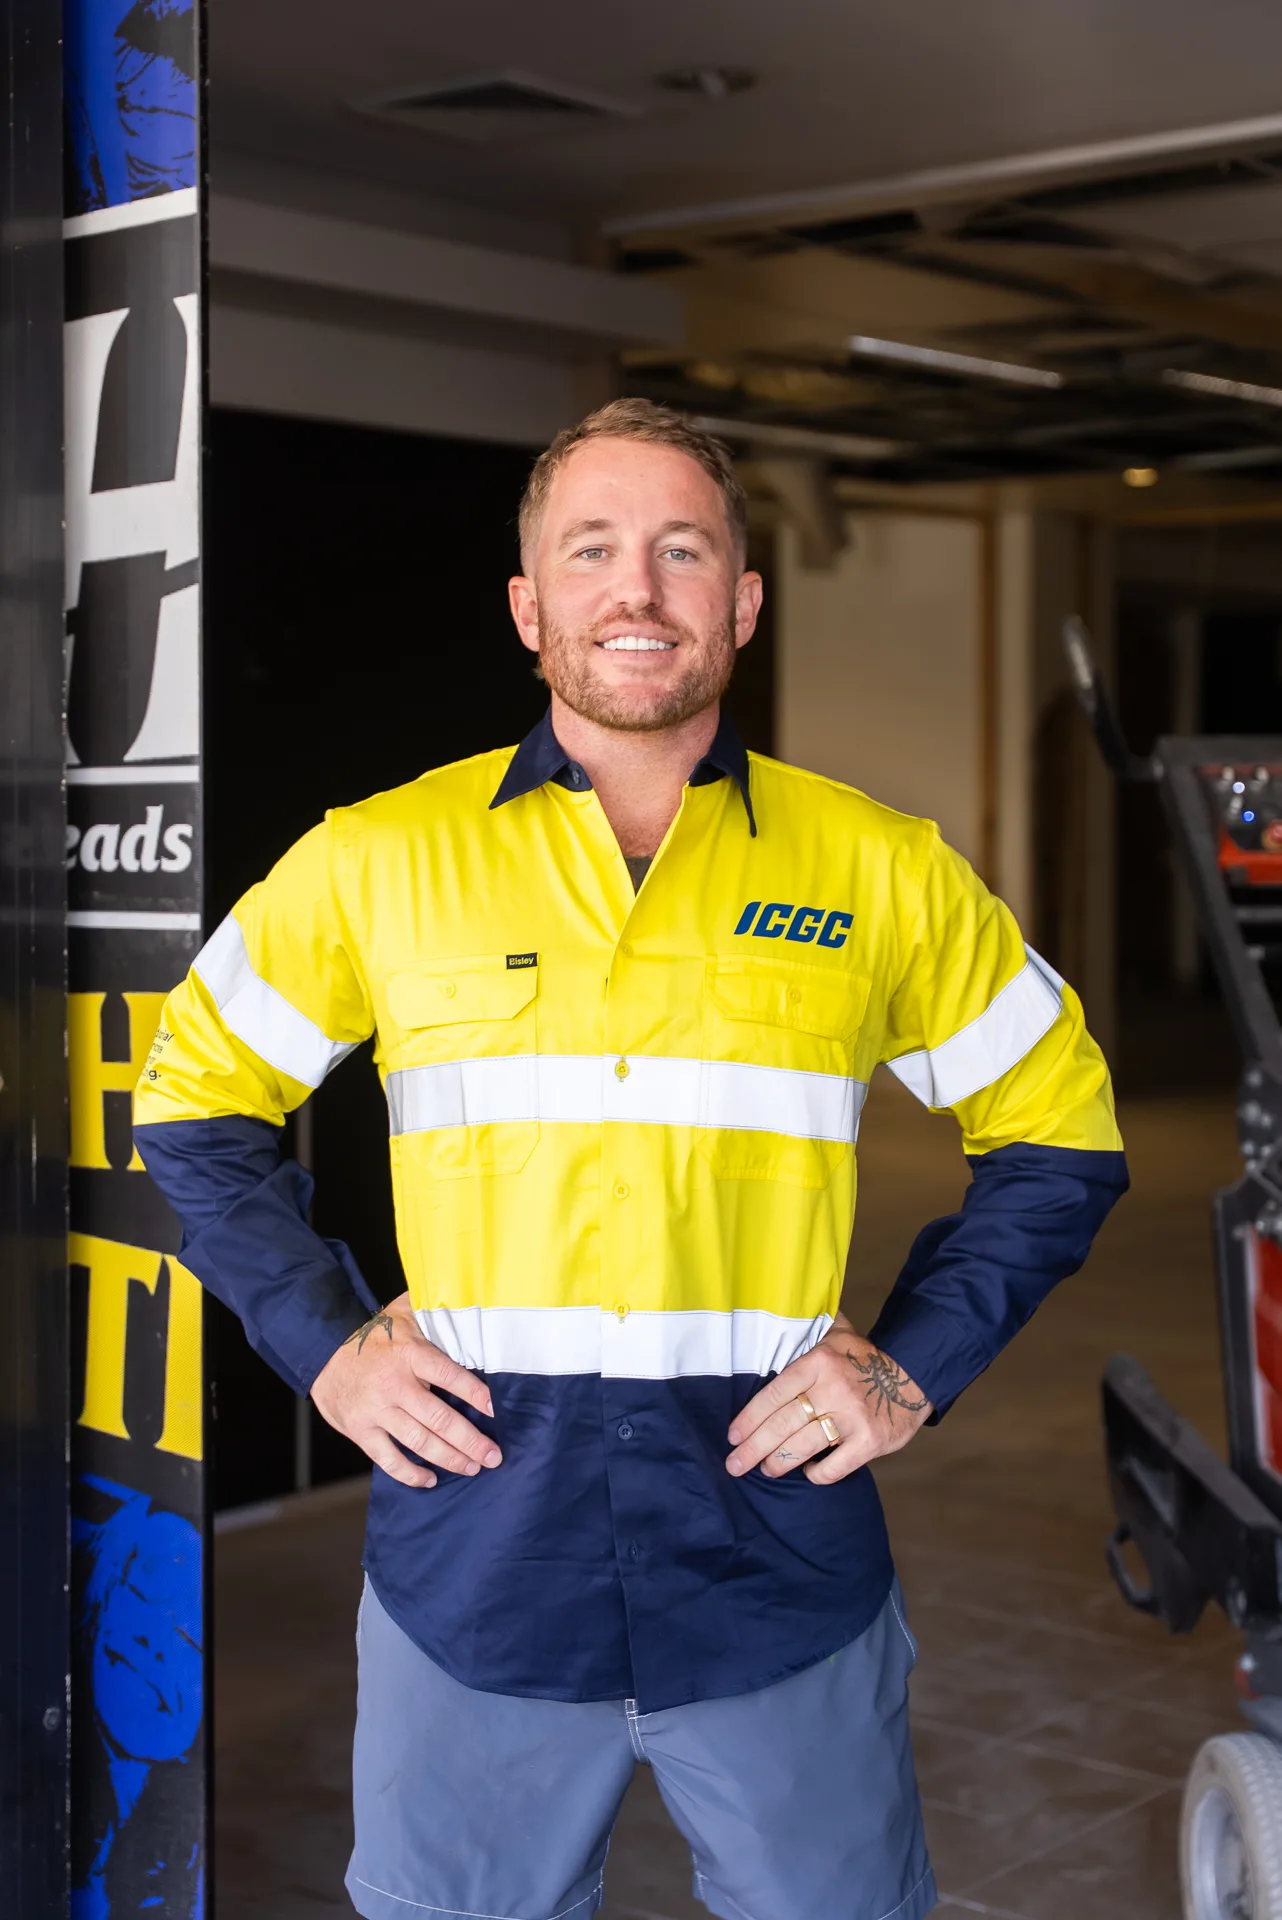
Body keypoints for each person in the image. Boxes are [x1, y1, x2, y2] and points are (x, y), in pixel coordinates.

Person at [134, 399, 1128, 1920]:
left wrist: (910, 1364)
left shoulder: (878, 868)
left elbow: (1059, 1133)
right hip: (478, 1554)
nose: (637, 589)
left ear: (739, 599)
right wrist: (324, 1348)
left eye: (681, 549)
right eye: (591, 549)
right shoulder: (379, 858)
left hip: (772, 1553)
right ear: (531, 606)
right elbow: (193, 1098)